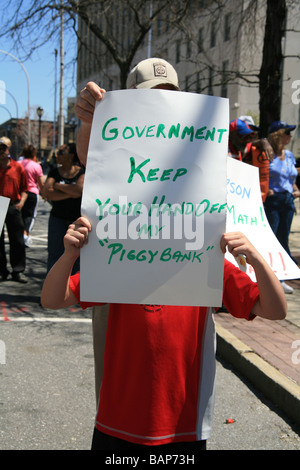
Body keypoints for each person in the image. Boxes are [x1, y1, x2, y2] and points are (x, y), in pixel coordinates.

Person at [42, 59, 287, 452]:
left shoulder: (205, 259)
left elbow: (274, 310)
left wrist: (256, 256)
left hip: (183, 428)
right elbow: (54, 297)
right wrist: (91, 120)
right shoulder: (114, 260)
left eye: (167, 97)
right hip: (118, 422)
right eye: (149, 99)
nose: (159, 107)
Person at [264, 120, 300, 294]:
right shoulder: (267, 154)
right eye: (287, 132)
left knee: (283, 239)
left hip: (287, 201)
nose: (290, 136)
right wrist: (265, 189)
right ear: (277, 134)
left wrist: (296, 189)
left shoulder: (290, 155)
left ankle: (281, 277)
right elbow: (258, 173)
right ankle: (270, 278)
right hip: (272, 200)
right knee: (272, 240)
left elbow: (291, 178)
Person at [43, 143, 85, 274]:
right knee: (54, 254)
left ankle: (73, 291)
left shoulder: (81, 172)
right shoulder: (54, 171)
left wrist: (57, 185)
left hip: (76, 221)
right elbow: (46, 192)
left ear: (71, 155)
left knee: (76, 257)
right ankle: (53, 290)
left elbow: (79, 190)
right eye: (57, 153)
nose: (58, 156)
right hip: (57, 219)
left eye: (61, 152)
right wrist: (71, 193)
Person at [0, 139, 28, 283]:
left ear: (8, 150)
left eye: (3, 149)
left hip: (13, 205)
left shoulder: (18, 167)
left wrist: (22, 202)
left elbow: (25, 188)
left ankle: (17, 271)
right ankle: (1, 271)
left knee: (17, 240)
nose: (1, 151)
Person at [19, 144, 45, 247]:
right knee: (30, 215)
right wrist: (44, 194)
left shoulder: (17, 164)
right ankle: (26, 234)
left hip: (19, 193)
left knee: (19, 215)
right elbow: (40, 183)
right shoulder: (36, 166)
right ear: (34, 154)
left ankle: (21, 234)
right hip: (32, 192)